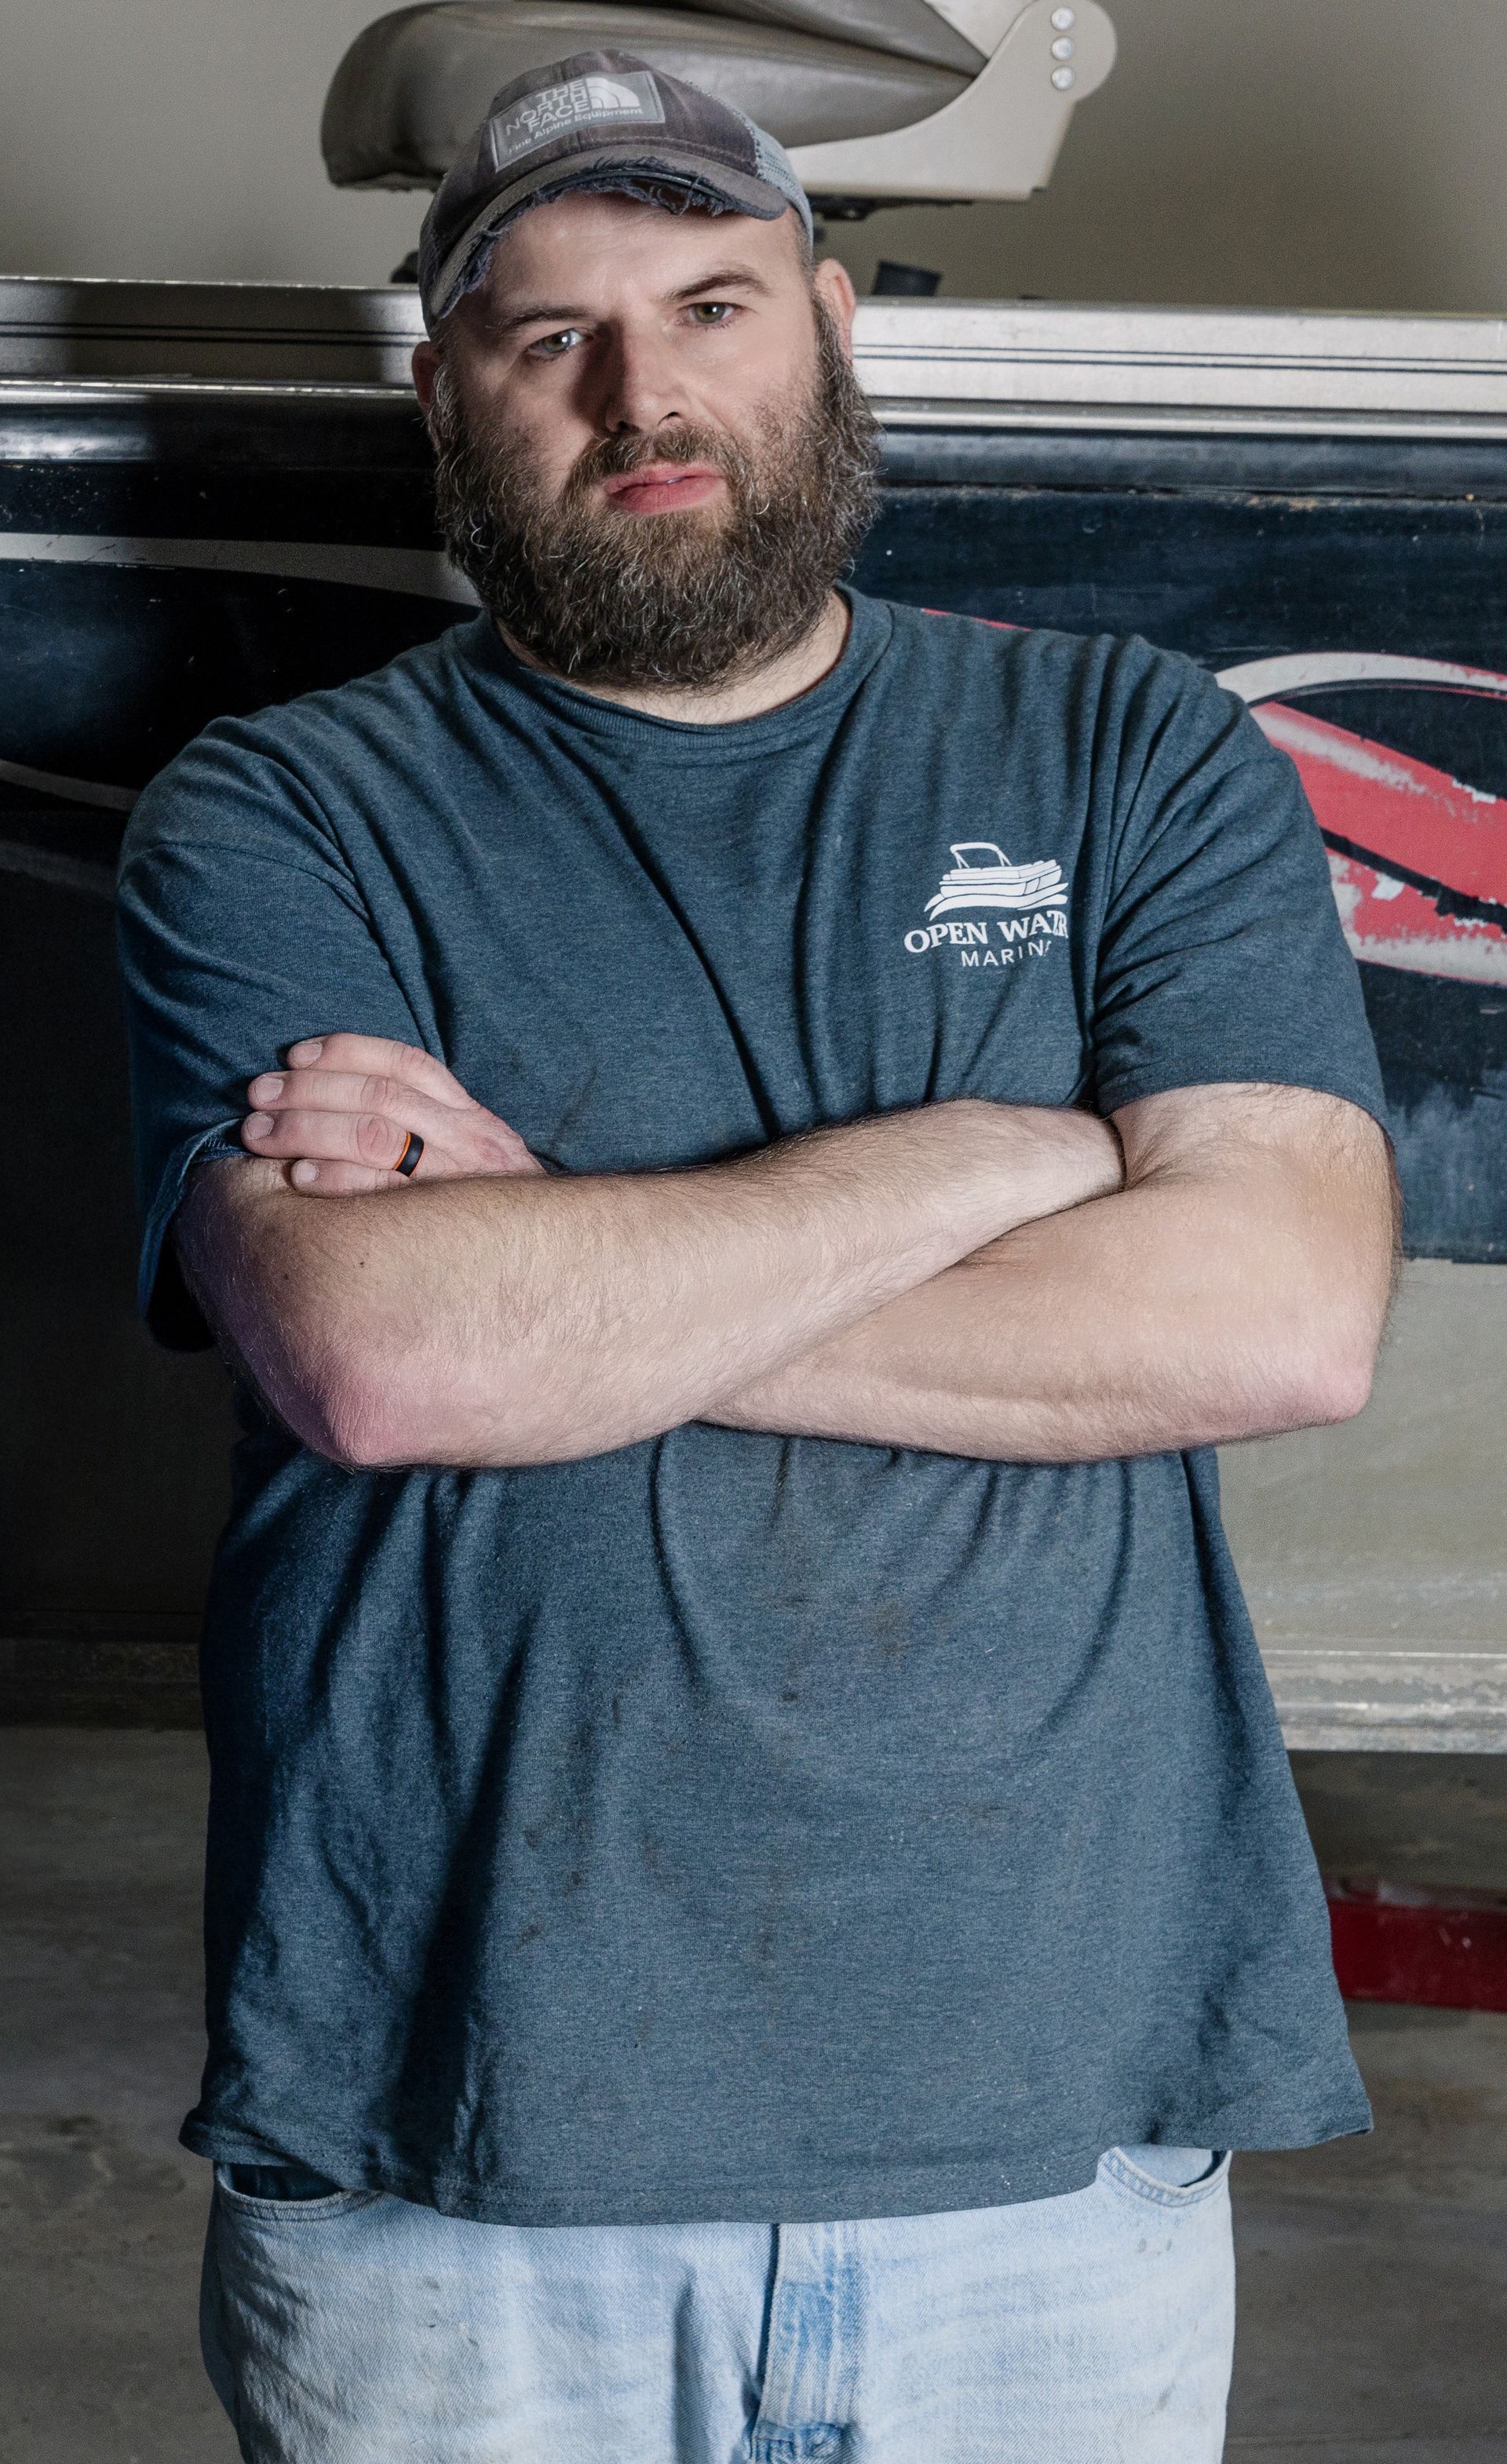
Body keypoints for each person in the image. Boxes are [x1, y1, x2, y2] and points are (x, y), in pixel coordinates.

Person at [116, 47, 1397, 2464]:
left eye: (712, 302)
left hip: (1049, 2149)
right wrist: (1015, 1151)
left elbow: (1279, 1311)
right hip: (455, 2166)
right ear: (445, 391)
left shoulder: (1126, 751)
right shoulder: (283, 816)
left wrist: (562, 1284)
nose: (644, 391)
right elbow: (386, 1360)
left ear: (830, 320)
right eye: (550, 335)